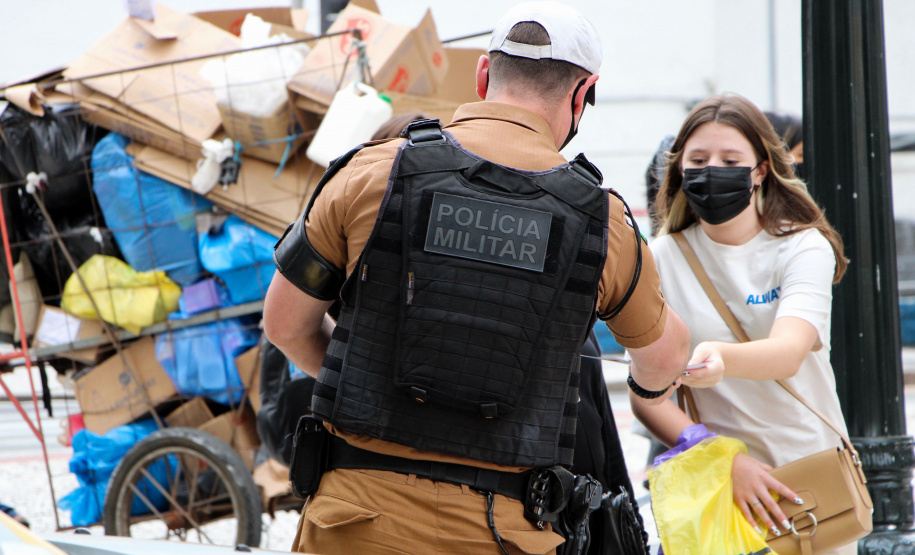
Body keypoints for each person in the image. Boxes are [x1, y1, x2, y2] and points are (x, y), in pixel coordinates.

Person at [264, 2, 690, 552]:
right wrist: (651, 386)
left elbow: (284, 324)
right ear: (582, 93)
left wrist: (368, 387)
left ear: (484, 73)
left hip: (355, 520)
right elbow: (662, 359)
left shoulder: (370, 172)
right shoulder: (603, 222)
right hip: (502, 532)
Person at [634, 93, 852, 553]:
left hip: (808, 479)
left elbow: (788, 352)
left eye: (730, 160)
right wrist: (723, 460)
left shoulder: (802, 247)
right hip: (718, 485)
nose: (712, 170)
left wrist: (720, 357)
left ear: (760, 170)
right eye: (698, 160)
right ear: (679, 169)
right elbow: (646, 395)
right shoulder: (660, 258)